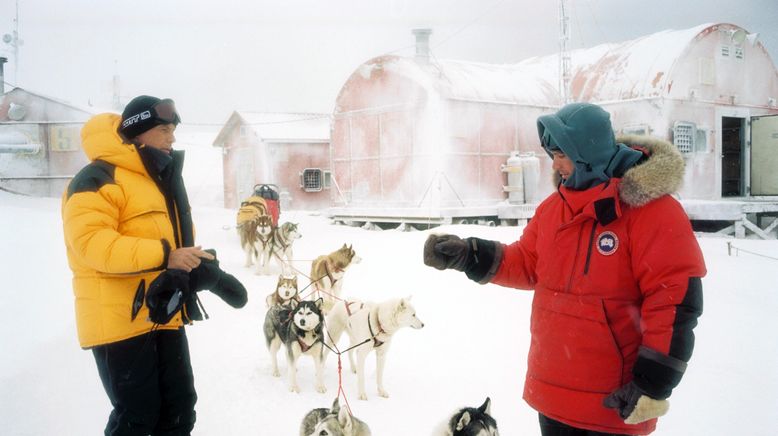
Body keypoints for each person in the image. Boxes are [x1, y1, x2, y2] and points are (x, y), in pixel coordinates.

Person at [424, 102, 705, 436]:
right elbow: (528, 263)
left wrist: (652, 383)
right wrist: (468, 254)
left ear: (587, 151)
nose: (555, 164)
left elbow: (672, 301)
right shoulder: (553, 210)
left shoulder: (652, 211)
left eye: (562, 154)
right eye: (551, 154)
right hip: (553, 393)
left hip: (614, 402)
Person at [62, 95, 246, 435]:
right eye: (164, 129)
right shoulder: (97, 179)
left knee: (179, 411)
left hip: (163, 313)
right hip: (118, 320)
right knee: (138, 417)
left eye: (173, 129)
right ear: (137, 132)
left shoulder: (155, 180)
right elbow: (91, 245)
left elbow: (167, 244)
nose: (172, 137)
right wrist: (167, 254)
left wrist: (192, 261)